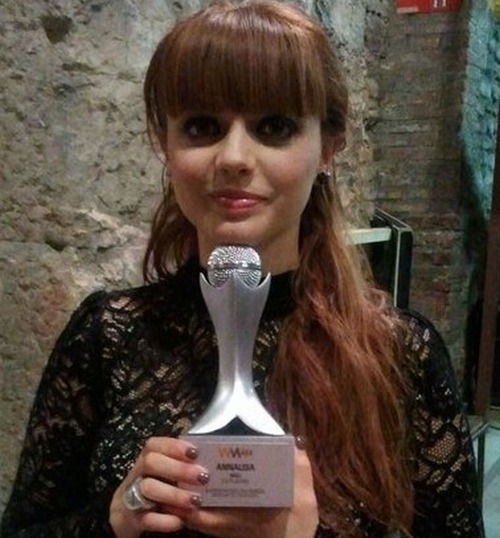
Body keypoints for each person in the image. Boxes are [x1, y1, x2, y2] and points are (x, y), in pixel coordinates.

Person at [0, 1, 485, 537]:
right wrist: (114, 516)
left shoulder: (401, 356)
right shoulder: (106, 336)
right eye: (202, 126)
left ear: (328, 147)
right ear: (166, 144)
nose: (233, 157)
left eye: (274, 127)